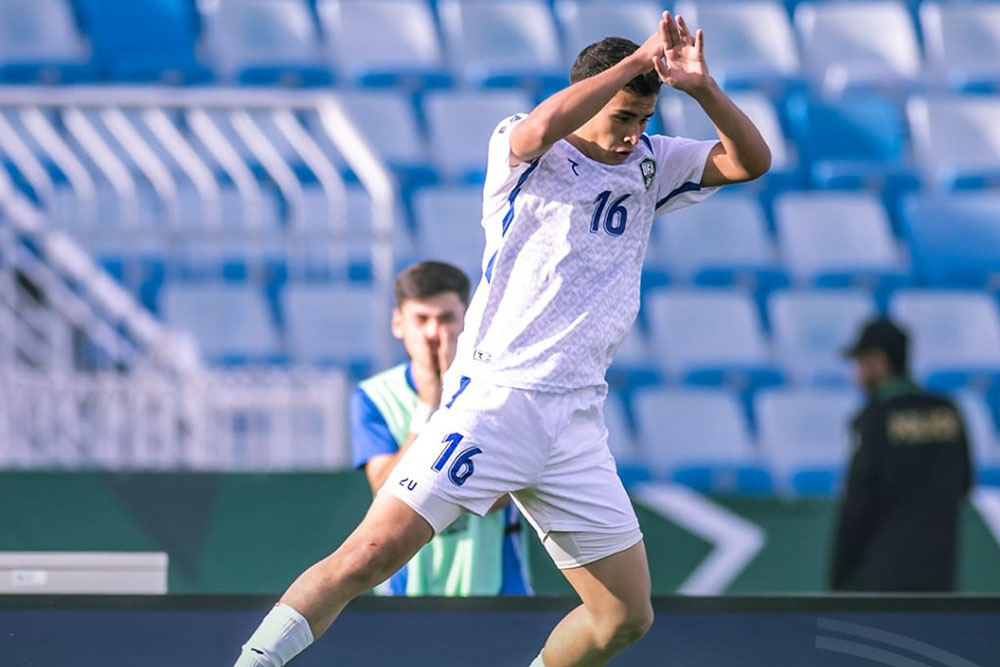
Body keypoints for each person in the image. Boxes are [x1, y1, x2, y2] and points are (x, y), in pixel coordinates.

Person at [234, 12, 770, 667]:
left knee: (624, 615)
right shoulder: (526, 152)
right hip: (496, 401)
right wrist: (634, 65)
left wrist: (702, 90)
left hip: (574, 420)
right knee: (367, 555)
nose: (633, 136)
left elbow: (751, 162)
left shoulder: (652, 164)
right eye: (622, 118)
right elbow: (544, 126)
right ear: (596, 97)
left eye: (643, 121)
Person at [350, 260, 531, 596]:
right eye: (422, 320)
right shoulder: (374, 397)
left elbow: (509, 490)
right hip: (405, 595)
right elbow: (384, 485)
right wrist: (431, 405)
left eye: (447, 319)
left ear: (469, 322)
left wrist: (454, 397)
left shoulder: (500, 390)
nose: (435, 333)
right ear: (398, 323)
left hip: (496, 592)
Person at [831, 317, 973, 592]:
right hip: (940, 574)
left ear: (878, 362)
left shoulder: (876, 419)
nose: (856, 375)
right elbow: (965, 481)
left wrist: (838, 578)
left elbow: (858, 504)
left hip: (883, 580)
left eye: (860, 363)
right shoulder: (949, 411)